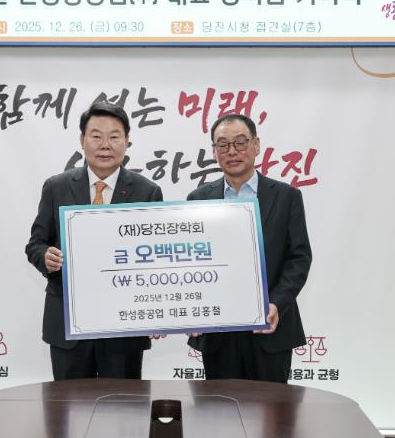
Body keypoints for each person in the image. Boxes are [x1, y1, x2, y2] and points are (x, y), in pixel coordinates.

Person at [25, 101, 163, 380]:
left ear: (127, 141)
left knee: (122, 404)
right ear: (82, 140)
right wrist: (45, 257)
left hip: (124, 327)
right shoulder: (56, 187)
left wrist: (156, 311)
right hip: (68, 323)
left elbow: (156, 258)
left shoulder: (147, 192)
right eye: (96, 136)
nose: (105, 145)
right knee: (69, 405)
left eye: (114, 137)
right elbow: (35, 244)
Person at [187, 113, 312, 383]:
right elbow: (190, 262)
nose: (232, 151)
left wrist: (276, 303)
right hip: (217, 332)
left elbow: (299, 258)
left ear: (256, 145)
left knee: (271, 408)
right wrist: (191, 308)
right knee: (220, 406)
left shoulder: (287, 196)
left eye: (240, 142)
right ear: (214, 151)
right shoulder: (197, 199)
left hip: (270, 328)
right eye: (223, 144)